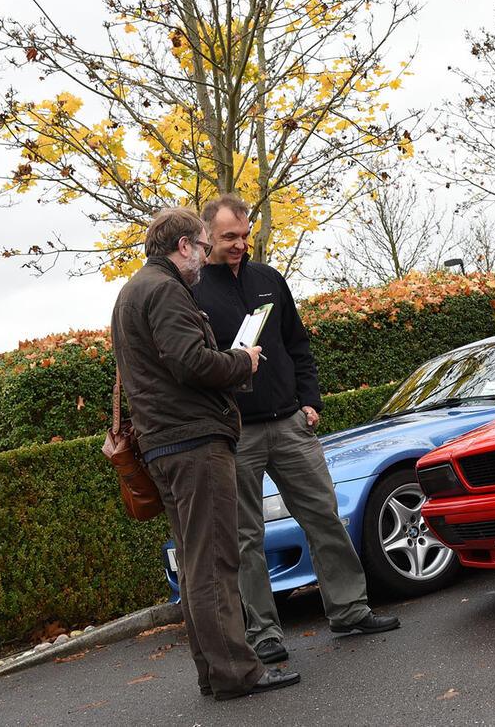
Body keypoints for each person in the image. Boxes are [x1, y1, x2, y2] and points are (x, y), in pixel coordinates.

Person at [194, 195, 399, 665]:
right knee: (246, 536)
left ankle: (349, 610)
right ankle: (264, 634)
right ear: (207, 236)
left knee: (324, 515)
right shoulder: (194, 291)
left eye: (245, 236)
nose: (240, 245)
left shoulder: (269, 279)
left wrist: (309, 400)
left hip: (289, 422)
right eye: (229, 237)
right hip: (237, 431)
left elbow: (297, 344)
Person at [110, 207, 299, 700]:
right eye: (203, 245)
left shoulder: (134, 291)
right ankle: (238, 672)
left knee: (196, 565)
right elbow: (192, 362)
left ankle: (214, 673)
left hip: (165, 444)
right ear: (184, 247)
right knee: (215, 562)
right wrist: (243, 360)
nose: (206, 256)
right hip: (194, 442)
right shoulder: (166, 290)